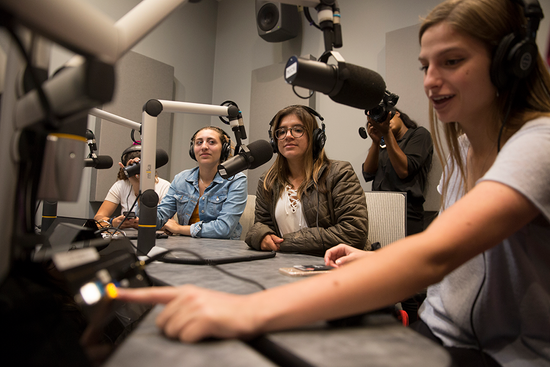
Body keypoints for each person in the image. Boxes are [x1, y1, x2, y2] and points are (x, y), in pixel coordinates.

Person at [117, 1, 550, 365]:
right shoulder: (464, 153)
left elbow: (436, 256)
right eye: (425, 65)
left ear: (513, 62)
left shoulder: (539, 145)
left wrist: (248, 310)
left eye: (452, 61)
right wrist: (372, 258)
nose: (430, 80)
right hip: (437, 329)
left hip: (500, 354)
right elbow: (450, 250)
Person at [245, 105, 369, 256]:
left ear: (316, 137)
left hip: (334, 265)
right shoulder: (268, 180)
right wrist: (262, 237)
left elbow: (354, 232)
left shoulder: (340, 173)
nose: (288, 136)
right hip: (284, 264)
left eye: (297, 130)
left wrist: (287, 243)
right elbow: (260, 226)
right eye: (281, 132)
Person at [156, 126, 247, 239]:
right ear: (192, 150)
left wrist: (179, 229)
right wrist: (140, 185)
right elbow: (157, 220)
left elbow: (224, 228)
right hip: (184, 247)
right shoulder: (181, 179)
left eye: (211, 142)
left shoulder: (236, 180)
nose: (204, 147)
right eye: (199, 142)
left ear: (224, 149)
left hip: (223, 250)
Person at [362, 109, 433, 236]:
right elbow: (368, 172)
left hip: (406, 212)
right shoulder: (383, 145)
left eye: (385, 119)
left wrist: (386, 132)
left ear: (396, 113)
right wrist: (376, 141)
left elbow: (404, 170)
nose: (384, 124)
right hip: (378, 211)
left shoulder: (419, 135)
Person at [94, 144, 170, 229]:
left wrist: (146, 223)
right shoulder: (120, 185)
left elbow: (169, 225)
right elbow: (98, 218)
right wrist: (113, 222)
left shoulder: (164, 186)